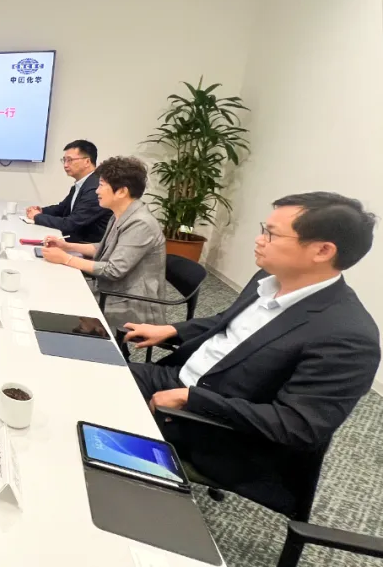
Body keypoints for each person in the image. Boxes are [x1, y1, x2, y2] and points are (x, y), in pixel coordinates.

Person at [124, 192, 379, 513]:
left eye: (271, 234)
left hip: (213, 427)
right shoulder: (268, 278)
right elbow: (227, 322)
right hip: (179, 380)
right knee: (85, 375)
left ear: (323, 250)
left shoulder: (348, 337)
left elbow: (297, 425)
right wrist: (172, 330)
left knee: (92, 432)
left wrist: (193, 400)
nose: (259, 240)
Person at [41, 156, 166, 328]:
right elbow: (105, 247)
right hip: (112, 291)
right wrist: (67, 246)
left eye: (101, 185)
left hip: (132, 304)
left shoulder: (141, 223)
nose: (97, 191)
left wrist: (66, 259)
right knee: (57, 289)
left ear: (121, 191)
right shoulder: (120, 214)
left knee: (59, 300)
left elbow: (113, 270)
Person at [25, 140, 112, 243]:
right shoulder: (82, 184)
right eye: (64, 160)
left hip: (86, 246)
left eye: (70, 160)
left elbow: (71, 224)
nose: (65, 165)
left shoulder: (95, 188)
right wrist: (42, 211)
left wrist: (37, 217)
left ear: (87, 162)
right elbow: (62, 209)